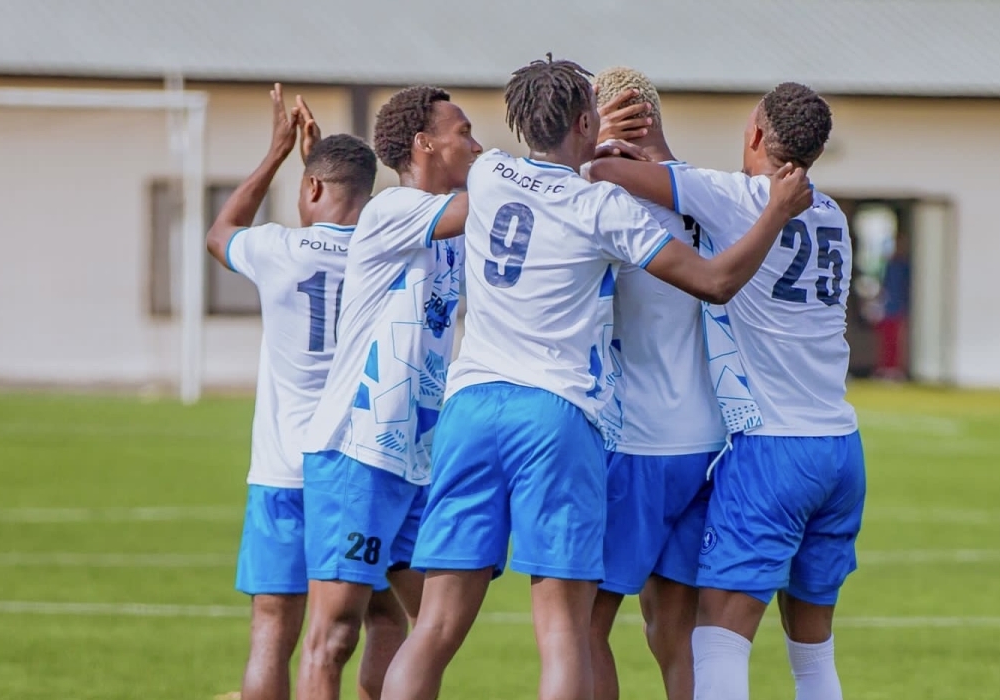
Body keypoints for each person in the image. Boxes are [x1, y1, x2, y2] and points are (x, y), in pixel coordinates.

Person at [381, 55, 813, 700]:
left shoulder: (492, 170)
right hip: (562, 416)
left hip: (471, 406)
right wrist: (776, 211)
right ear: (585, 119)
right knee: (567, 631)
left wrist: (583, 135)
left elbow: (538, 163)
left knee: (437, 624)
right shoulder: (609, 206)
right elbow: (715, 281)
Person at [589, 82, 866, 700]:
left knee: (717, 637)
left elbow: (606, 170)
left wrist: (604, 134)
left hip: (773, 448)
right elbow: (685, 181)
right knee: (813, 654)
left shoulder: (737, 198)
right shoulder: (831, 214)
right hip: (842, 446)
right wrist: (660, 149)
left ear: (758, 136)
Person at [295, 85, 480, 700]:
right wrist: (546, 166)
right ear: (426, 144)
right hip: (359, 448)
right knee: (334, 634)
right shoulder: (395, 208)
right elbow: (498, 204)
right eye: (465, 133)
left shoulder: (454, 228)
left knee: (425, 628)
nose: (477, 147)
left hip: (417, 459)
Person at [204, 84, 379, 700]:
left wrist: (279, 152)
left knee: (272, 630)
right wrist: (313, 162)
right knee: (373, 624)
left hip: (281, 470)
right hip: (358, 468)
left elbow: (221, 231)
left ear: (310, 188)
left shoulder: (277, 248)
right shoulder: (383, 254)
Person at [586, 67, 725, 700]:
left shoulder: (592, 198)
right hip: (705, 438)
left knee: (583, 624)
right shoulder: (704, 194)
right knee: (675, 626)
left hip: (634, 441)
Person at [875, 234, 910, 380]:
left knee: (897, 341)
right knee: (886, 340)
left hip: (899, 308)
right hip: (888, 308)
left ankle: (896, 368)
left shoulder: (904, 266)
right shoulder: (889, 265)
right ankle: (886, 367)